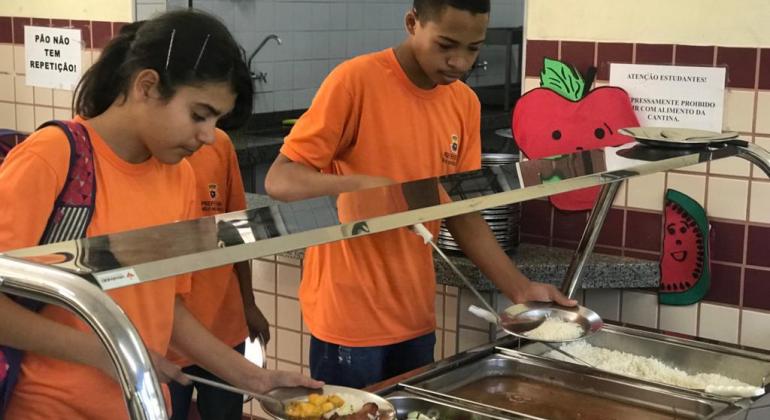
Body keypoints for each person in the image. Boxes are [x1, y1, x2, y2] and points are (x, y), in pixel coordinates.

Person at [0, 9, 319, 419]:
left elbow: (164, 304)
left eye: (217, 120)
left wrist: (252, 378)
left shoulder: (179, 176)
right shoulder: (54, 157)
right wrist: (115, 352)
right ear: (147, 86)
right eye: (199, 115)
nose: (208, 136)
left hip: (141, 406)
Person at [264, 0, 576, 389]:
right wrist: (362, 184)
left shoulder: (463, 103)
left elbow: (463, 211)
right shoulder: (355, 81)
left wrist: (519, 287)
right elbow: (281, 179)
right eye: (446, 45)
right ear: (412, 22)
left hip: (414, 315)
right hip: (348, 315)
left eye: (473, 48)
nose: (459, 62)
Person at [168, 130, 271, 420]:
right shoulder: (150, 158)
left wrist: (248, 303)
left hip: (224, 324)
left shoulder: (218, 143)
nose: (204, 128)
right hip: (166, 338)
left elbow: (235, 231)